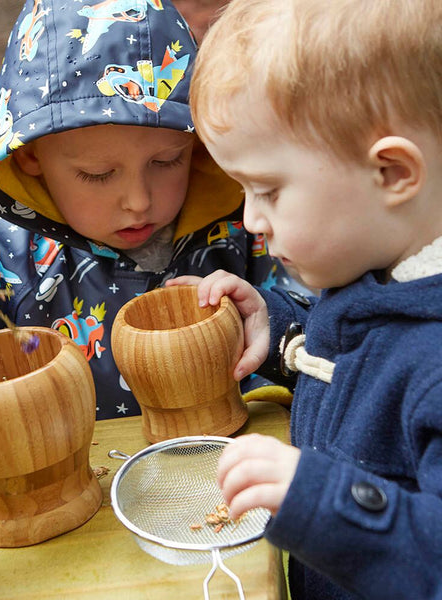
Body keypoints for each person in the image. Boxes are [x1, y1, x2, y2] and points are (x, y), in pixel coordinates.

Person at [0, 0, 297, 420]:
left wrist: (273, 343)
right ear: (29, 157)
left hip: (220, 476)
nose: (139, 201)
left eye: (167, 161)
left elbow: (326, 338)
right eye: (98, 174)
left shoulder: (247, 228)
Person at [166, 0, 442, 598]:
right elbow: (355, 358)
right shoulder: (381, 273)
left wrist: (321, 498)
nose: (249, 219)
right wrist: (280, 331)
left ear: (392, 173)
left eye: (267, 189)